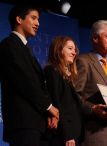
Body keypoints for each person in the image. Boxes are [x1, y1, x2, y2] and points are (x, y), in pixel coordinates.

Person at [0, 4, 59, 146]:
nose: (37, 23)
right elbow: (25, 81)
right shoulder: (9, 45)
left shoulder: (25, 47)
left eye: (38, 19)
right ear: (19, 19)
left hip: (36, 125)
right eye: (33, 18)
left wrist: (48, 114)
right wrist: (49, 107)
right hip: (23, 124)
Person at [74, 20, 107, 146]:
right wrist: (92, 108)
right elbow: (74, 95)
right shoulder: (83, 61)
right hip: (96, 134)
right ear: (95, 38)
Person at [44, 36, 84, 146]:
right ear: (59, 50)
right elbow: (57, 103)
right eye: (70, 48)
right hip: (64, 137)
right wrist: (67, 135)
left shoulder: (68, 76)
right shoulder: (52, 71)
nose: (74, 53)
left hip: (75, 135)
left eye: (75, 50)